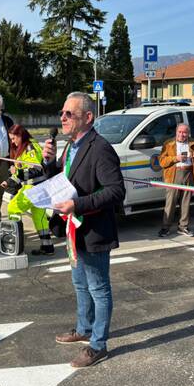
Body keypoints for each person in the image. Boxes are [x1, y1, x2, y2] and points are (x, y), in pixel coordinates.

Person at [42, 92, 125, 368]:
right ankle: (83, 328)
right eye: (62, 113)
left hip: (93, 229)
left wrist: (76, 204)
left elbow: (116, 191)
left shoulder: (100, 148)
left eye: (69, 114)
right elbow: (63, 180)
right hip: (73, 229)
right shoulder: (72, 145)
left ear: (88, 117)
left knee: (98, 288)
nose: (63, 118)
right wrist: (49, 163)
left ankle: (98, 345)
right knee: (80, 284)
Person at [1, 124, 53, 256]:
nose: (12, 142)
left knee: (13, 208)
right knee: (39, 217)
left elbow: (35, 169)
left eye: (13, 138)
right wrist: (11, 178)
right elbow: (26, 169)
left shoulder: (28, 147)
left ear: (20, 135)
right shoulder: (30, 146)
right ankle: (47, 247)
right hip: (41, 187)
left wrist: (13, 178)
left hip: (33, 187)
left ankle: (16, 244)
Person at [158, 123, 194, 238]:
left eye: (184, 132)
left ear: (188, 133)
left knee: (186, 203)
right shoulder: (169, 144)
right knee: (170, 203)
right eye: (180, 132)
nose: (182, 135)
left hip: (189, 174)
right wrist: (176, 158)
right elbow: (162, 161)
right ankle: (166, 227)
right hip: (174, 174)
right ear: (176, 132)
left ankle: (183, 227)